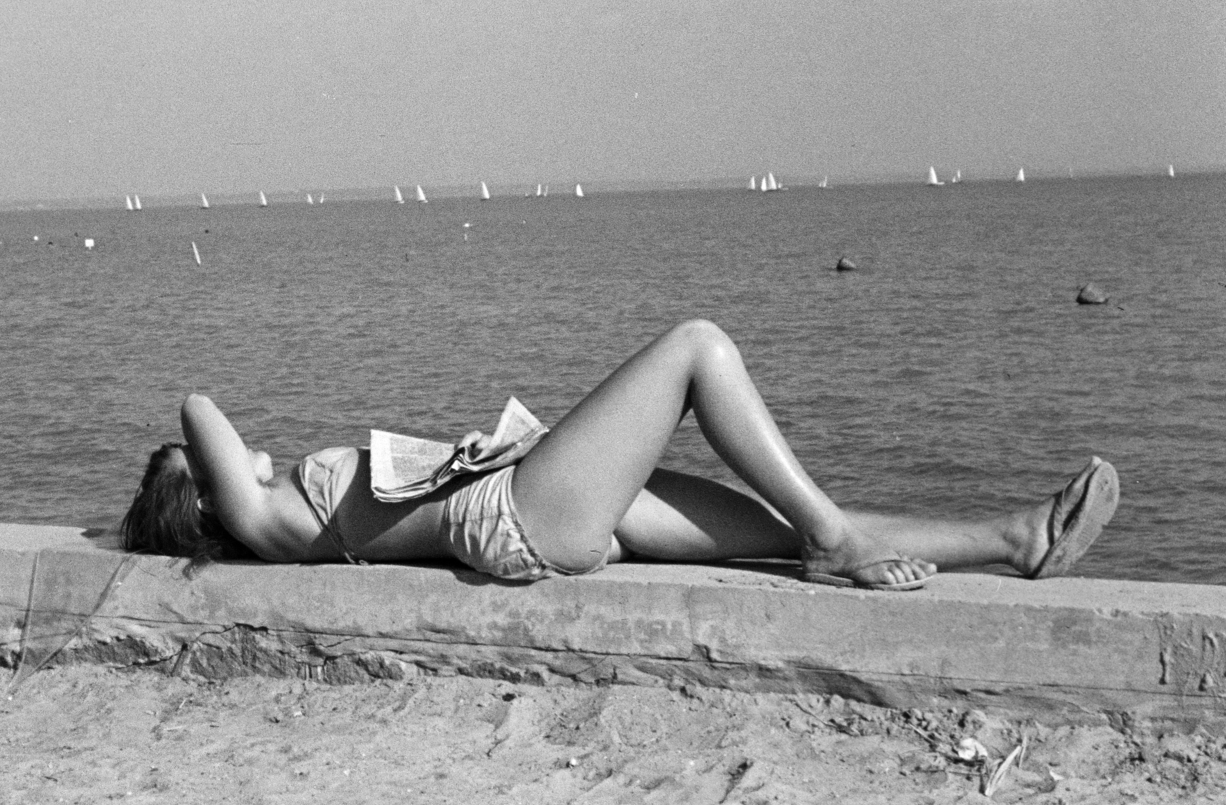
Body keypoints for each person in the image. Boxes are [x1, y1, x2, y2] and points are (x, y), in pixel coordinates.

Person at [122, 320, 1119, 590]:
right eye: (214, 461)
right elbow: (196, 403)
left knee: (776, 529)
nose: (244, 440)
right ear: (203, 489)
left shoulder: (289, 502)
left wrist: (477, 448)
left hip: (516, 495)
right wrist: (191, 467)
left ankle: (1014, 538)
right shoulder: (266, 517)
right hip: (517, 519)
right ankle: (833, 538)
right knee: (696, 347)